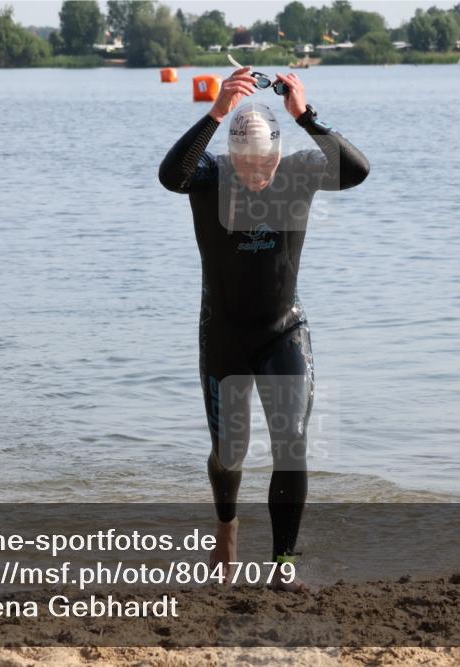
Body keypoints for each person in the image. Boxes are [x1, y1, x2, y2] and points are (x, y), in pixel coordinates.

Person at [158, 67, 369, 592]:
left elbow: (357, 170)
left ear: (278, 153)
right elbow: (169, 175)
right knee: (231, 451)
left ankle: (284, 566)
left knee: (291, 443)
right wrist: (215, 111)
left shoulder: (297, 171)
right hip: (224, 335)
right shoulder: (207, 176)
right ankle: (226, 530)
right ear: (232, 155)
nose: (257, 173)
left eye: (266, 163)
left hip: (282, 331)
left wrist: (304, 115)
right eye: (247, 164)